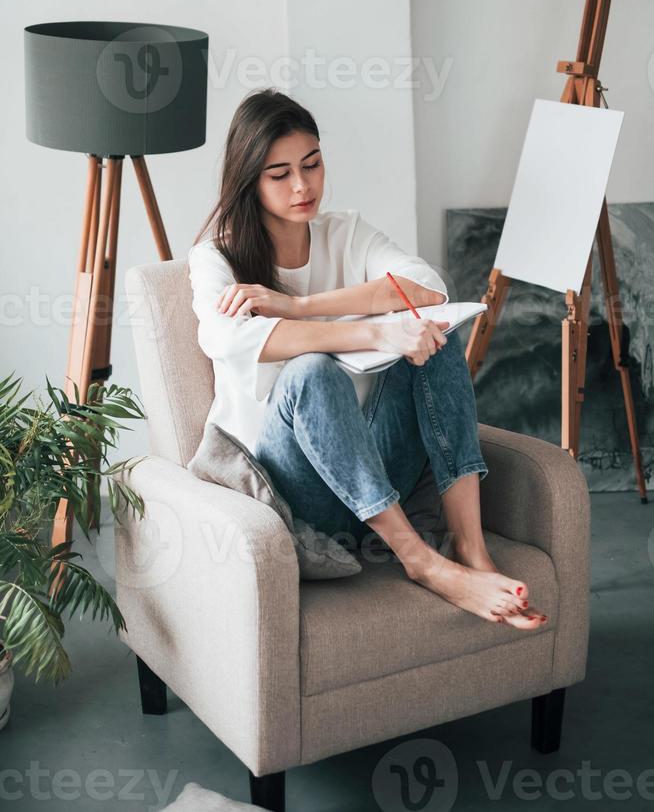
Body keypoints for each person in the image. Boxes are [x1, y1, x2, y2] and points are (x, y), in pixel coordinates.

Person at [188, 87, 547, 630]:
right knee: (312, 372)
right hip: (299, 493)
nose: (303, 185)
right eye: (279, 174)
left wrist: (299, 304)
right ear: (249, 180)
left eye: (311, 164)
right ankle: (422, 562)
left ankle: (470, 550)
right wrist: (376, 333)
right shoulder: (216, 257)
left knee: (434, 336)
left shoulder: (345, 233)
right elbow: (230, 340)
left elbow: (428, 288)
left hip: (377, 472)